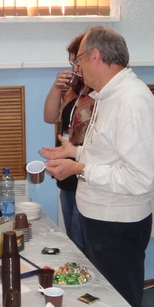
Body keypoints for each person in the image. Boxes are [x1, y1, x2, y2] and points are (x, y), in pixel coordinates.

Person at [39, 26, 154, 307]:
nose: (77, 68)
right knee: (104, 299)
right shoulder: (108, 95)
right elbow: (110, 154)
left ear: (95, 55)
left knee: (122, 305)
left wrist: (79, 168)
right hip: (100, 215)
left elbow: (140, 178)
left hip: (117, 221)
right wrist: (75, 152)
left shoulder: (131, 101)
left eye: (79, 60)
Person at [42, 34, 96, 252]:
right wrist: (57, 87)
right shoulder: (76, 90)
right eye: (73, 62)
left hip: (87, 170)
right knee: (74, 238)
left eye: (78, 62)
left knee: (85, 241)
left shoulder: (102, 93)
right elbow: (49, 117)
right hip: (67, 172)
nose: (75, 68)